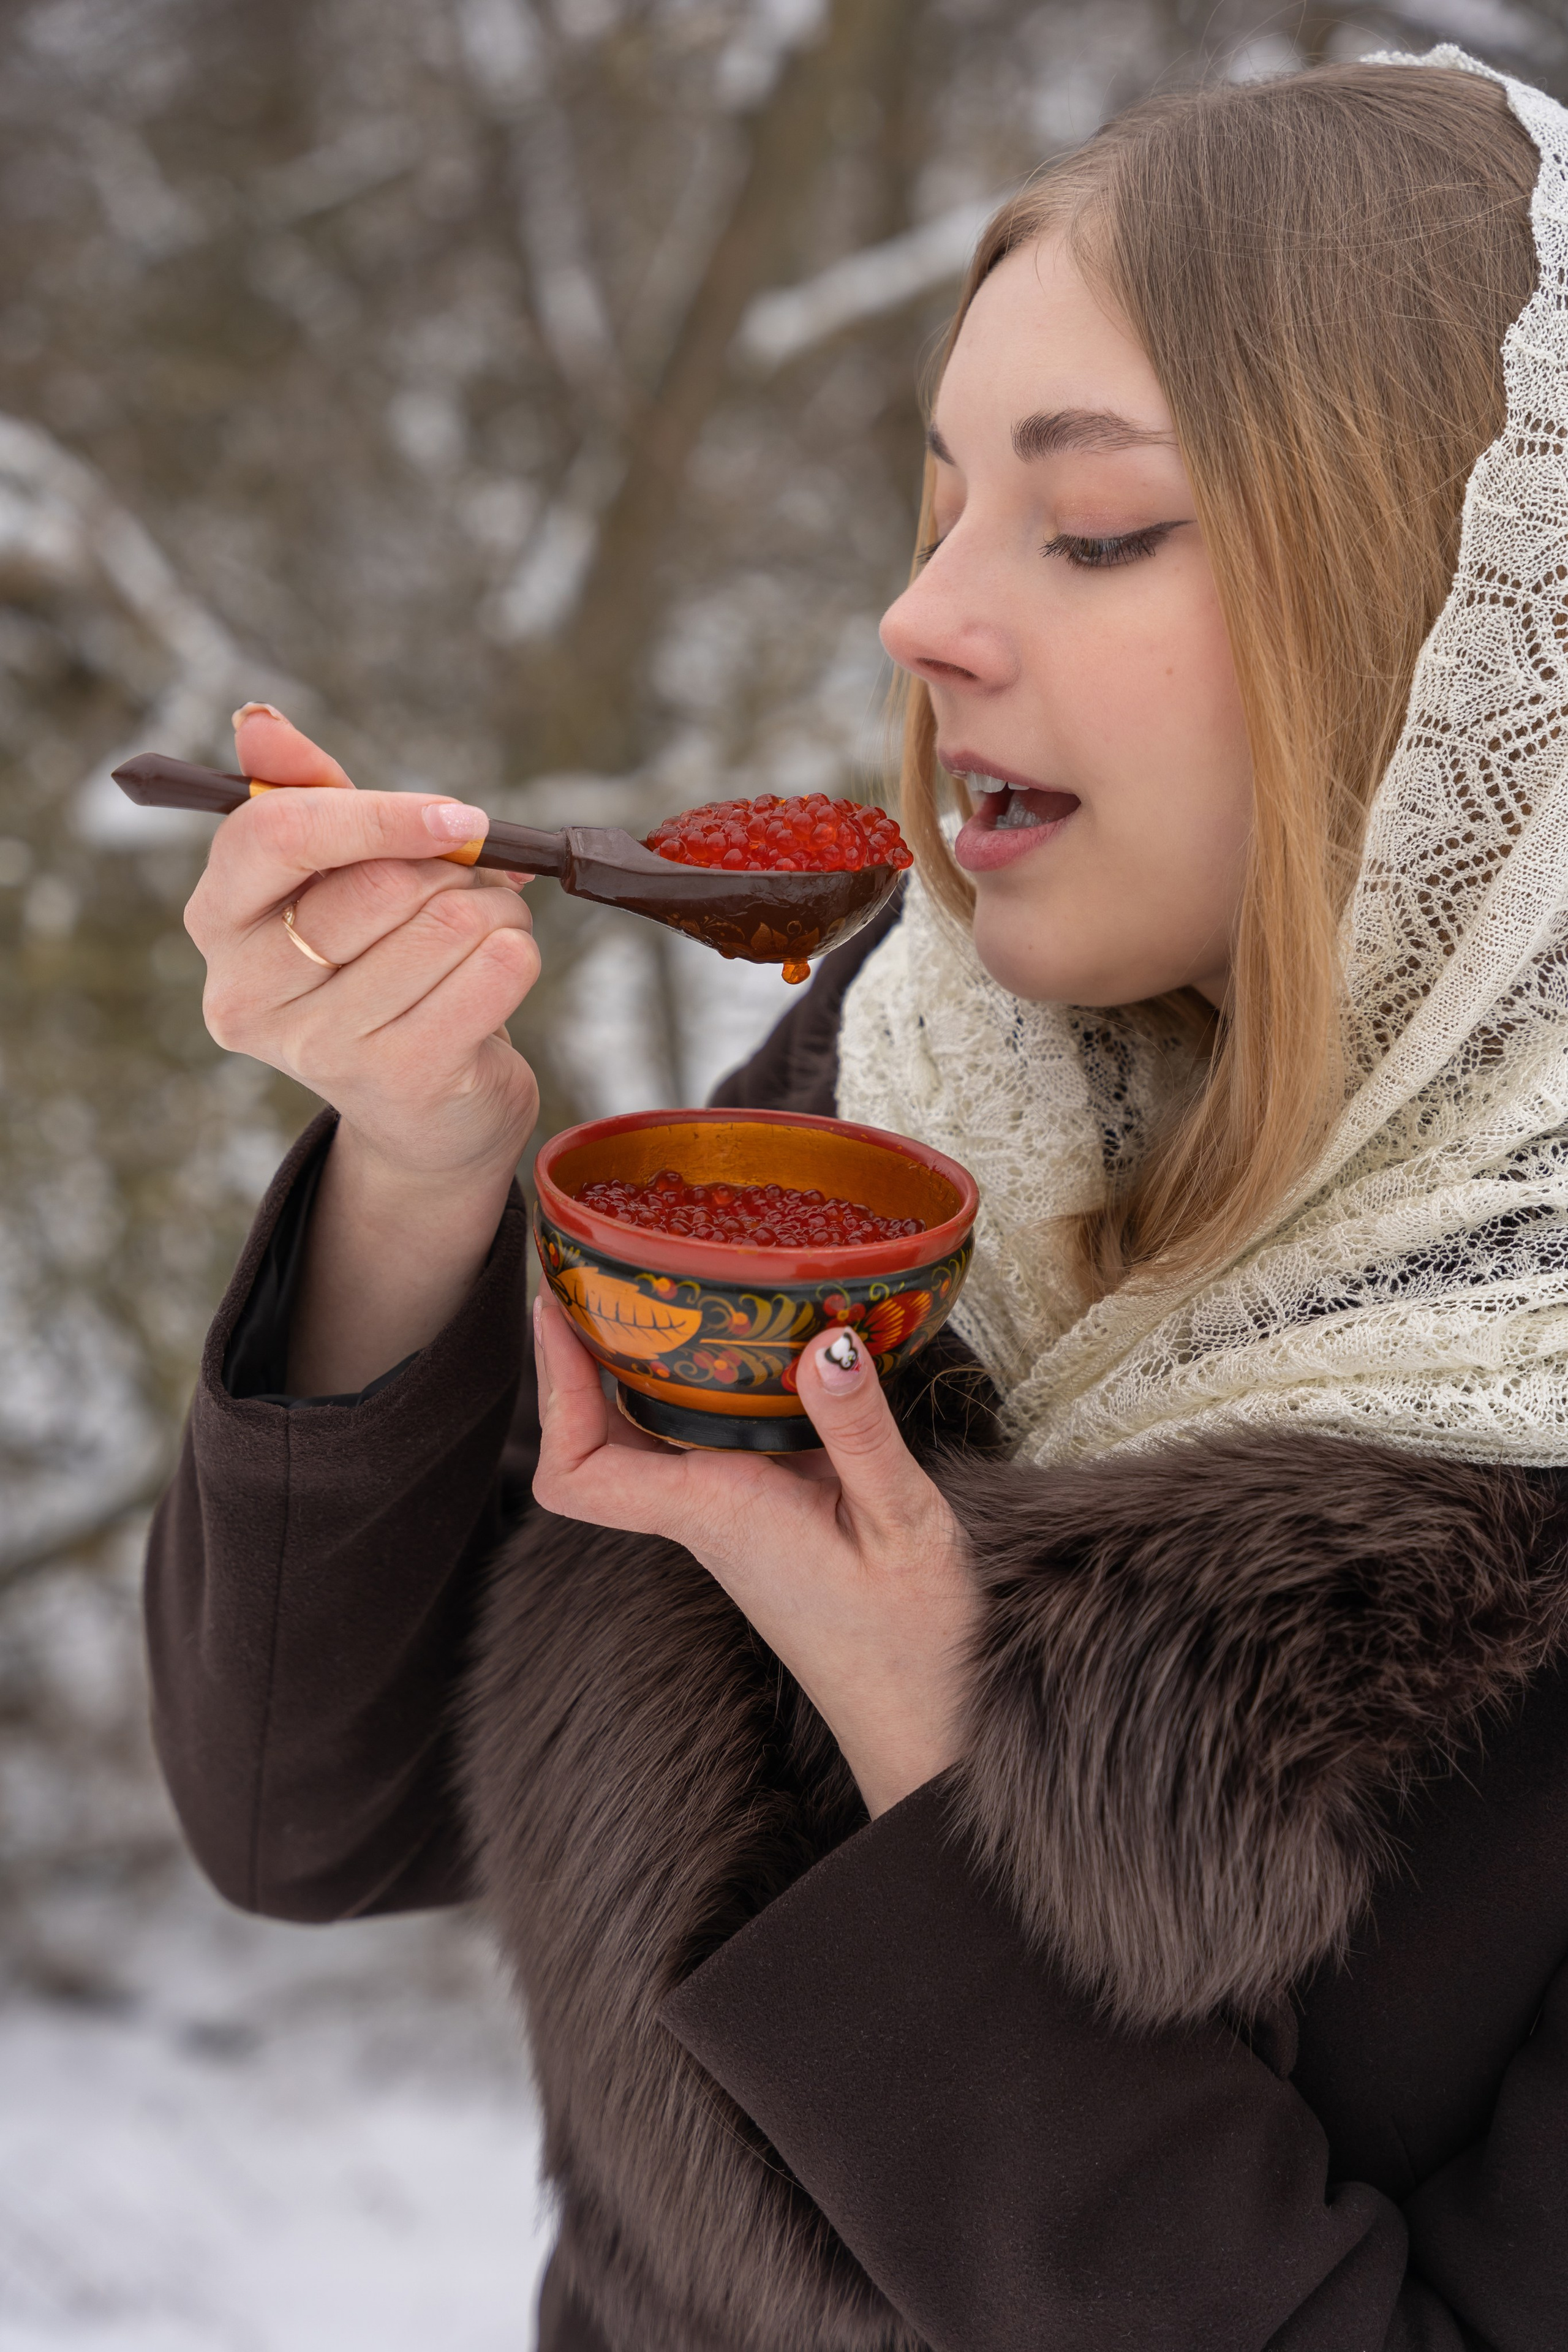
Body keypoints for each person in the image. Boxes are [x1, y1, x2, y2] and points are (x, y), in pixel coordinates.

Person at [146, 48, 1568, 2351]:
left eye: (1093, 527)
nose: (921, 625)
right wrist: (420, 1167)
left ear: (1448, 628)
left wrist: (943, 1759)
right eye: (937, 515)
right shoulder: (909, 1094)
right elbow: (309, 1822)